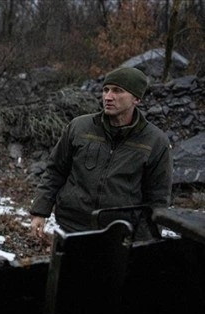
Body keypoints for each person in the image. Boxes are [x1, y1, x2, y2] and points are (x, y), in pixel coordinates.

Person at [30, 66, 173, 241]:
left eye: (117, 91)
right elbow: (55, 171)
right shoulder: (79, 127)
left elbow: (157, 199)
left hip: (120, 234)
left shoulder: (155, 141)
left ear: (136, 98)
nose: (108, 97)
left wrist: (145, 242)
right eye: (105, 90)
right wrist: (39, 212)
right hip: (72, 227)